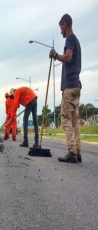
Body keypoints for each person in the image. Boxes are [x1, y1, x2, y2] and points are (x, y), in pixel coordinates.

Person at [49, 14, 82, 163]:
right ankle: (78, 152)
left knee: (65, 119)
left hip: (69, 87)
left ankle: (71, 151)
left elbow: (68, 57)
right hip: (76, 85)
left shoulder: (70, 38)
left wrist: (55, 55)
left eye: (61, 27)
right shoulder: (77, 40)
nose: (60, 31)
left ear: (65, 25)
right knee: (74, 121)